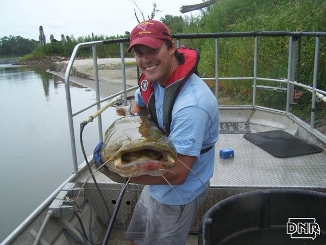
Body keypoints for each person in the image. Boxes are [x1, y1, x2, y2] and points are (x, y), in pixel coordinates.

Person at [97, 20, 219, 245]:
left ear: (171, 47)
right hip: (154, 182)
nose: (145, 60)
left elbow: (178, 174)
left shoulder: (192, 105)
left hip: (178, 193)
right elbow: (139, 110)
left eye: (153, 50)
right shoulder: (151, 81)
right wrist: (124, 140)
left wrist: (117, 173)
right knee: (136, 239)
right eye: (140, 53)